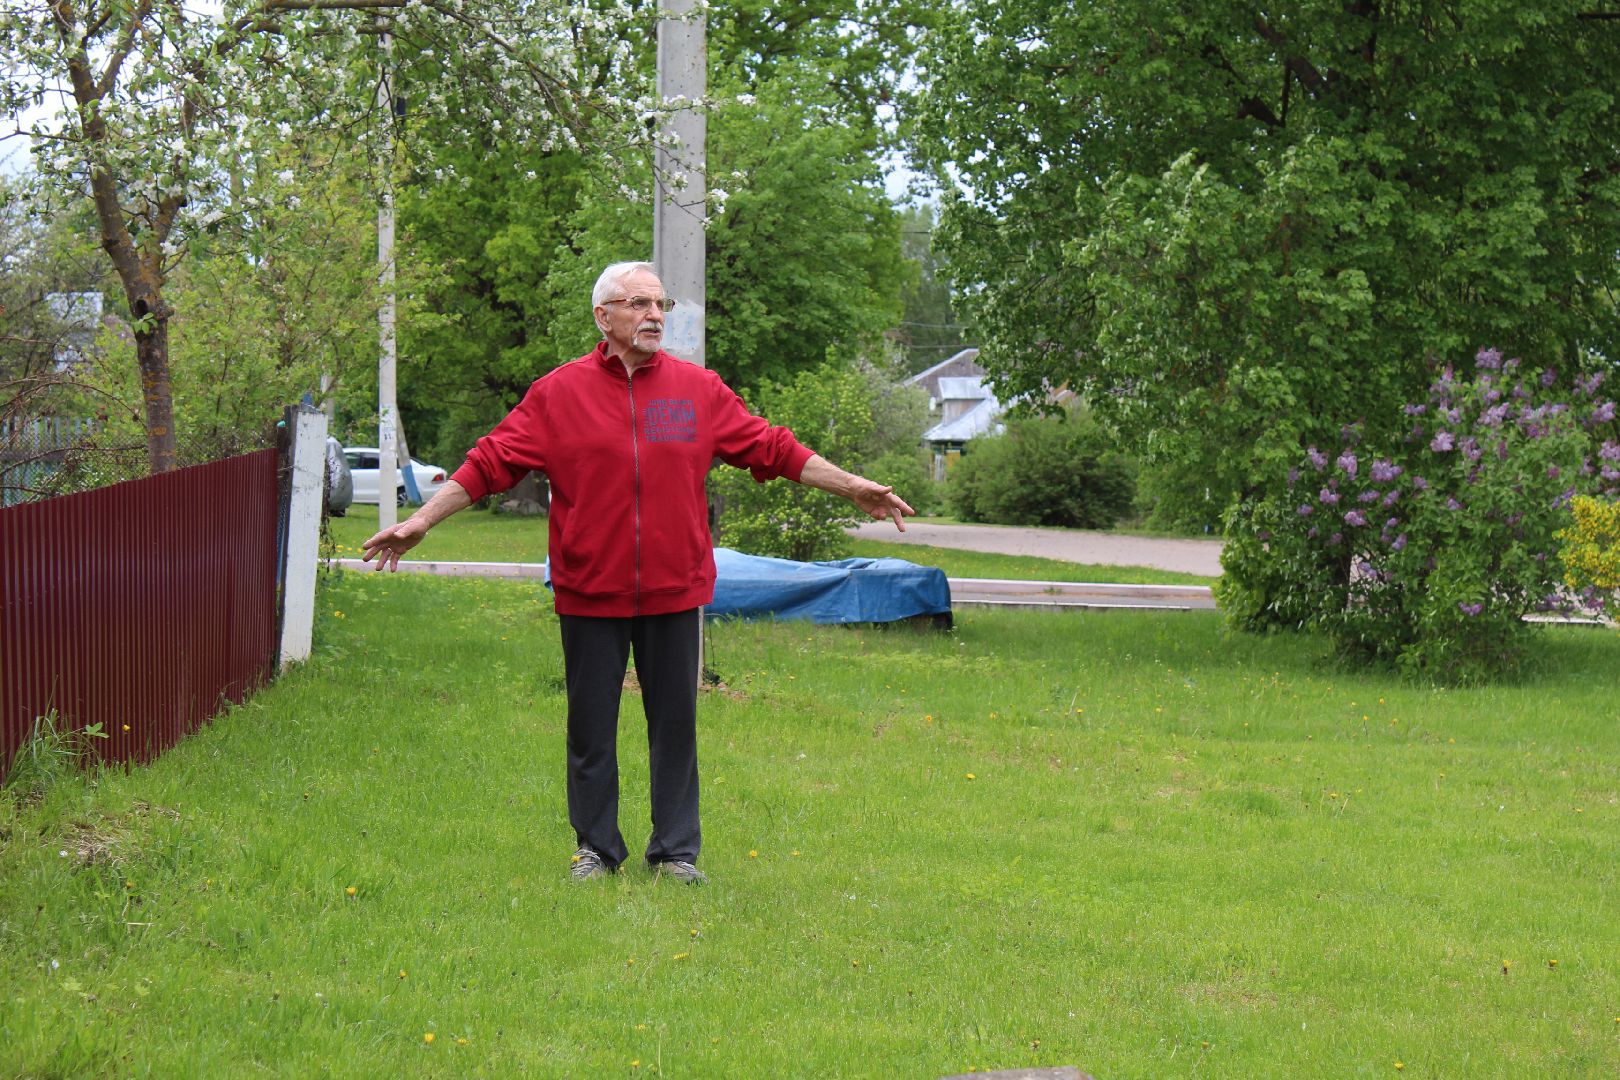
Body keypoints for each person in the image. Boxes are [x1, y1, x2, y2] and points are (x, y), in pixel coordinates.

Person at [361, 261, 913, 884]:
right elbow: (489, 463)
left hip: (675, 589)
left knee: (675, 725)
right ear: (604, 316)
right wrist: (421, 522)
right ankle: (596, 849)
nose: (655, 316)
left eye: (661, 304)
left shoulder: (697, 389)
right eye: (639, 304)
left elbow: (771, 446)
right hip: (589, 589)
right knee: (591, 729)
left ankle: (676, 852)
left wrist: (852, 486)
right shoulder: (556, 394)